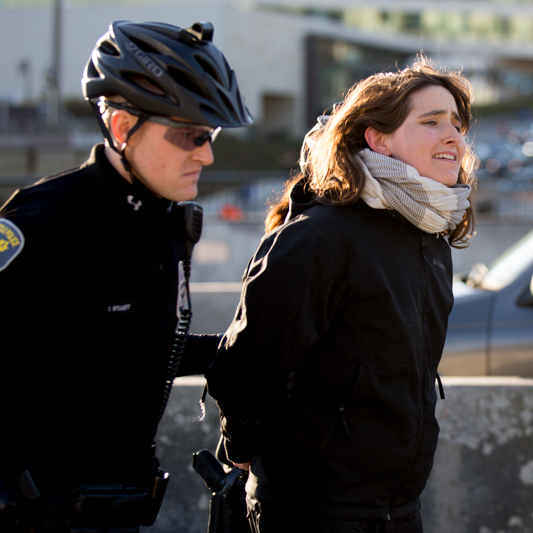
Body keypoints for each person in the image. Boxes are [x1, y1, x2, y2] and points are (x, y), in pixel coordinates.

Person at [0, 20, 251, 532]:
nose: (206, 154)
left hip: (121, 515)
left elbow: (127, 351)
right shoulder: (42, 222)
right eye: (188, 134)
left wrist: (237, 352)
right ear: (121, 127)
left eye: (211, 134)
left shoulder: (168, 225)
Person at [204, 57, 475, 532]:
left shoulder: (429, 235)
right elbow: (252, 362)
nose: (452, 135)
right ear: (378, 138)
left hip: (397, 510)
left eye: (456, 123)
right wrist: (239, 450)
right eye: (431, 122)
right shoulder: (321, 236)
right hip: (314, 512)